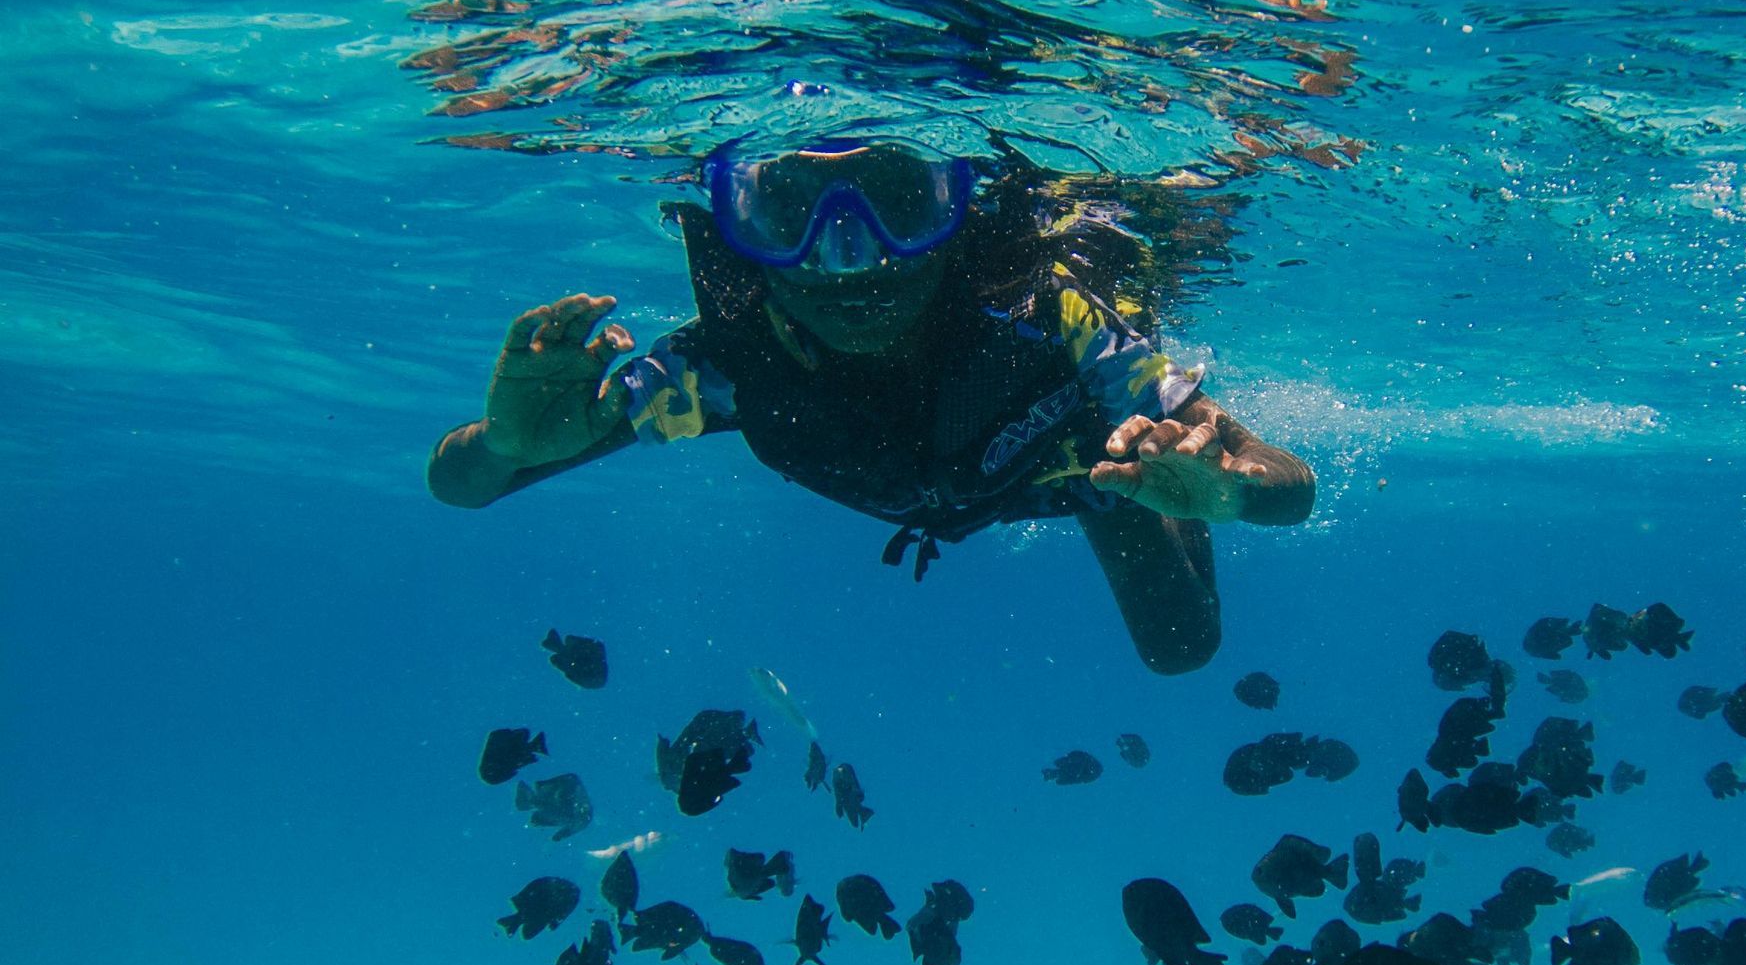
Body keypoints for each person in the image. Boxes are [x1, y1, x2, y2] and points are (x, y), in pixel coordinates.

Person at [427, 142, 1314, 672]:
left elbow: (1290, 482)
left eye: (897, 205)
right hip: (970, 475)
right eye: (790, 216)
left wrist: (1229, 489)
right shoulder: (727, 364)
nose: (849, 258)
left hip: (1092, 466)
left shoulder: (1055, 319)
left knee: (1181, 648)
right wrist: (505, 445)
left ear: (953, 214)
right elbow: (461, 484)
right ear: (743, 234)